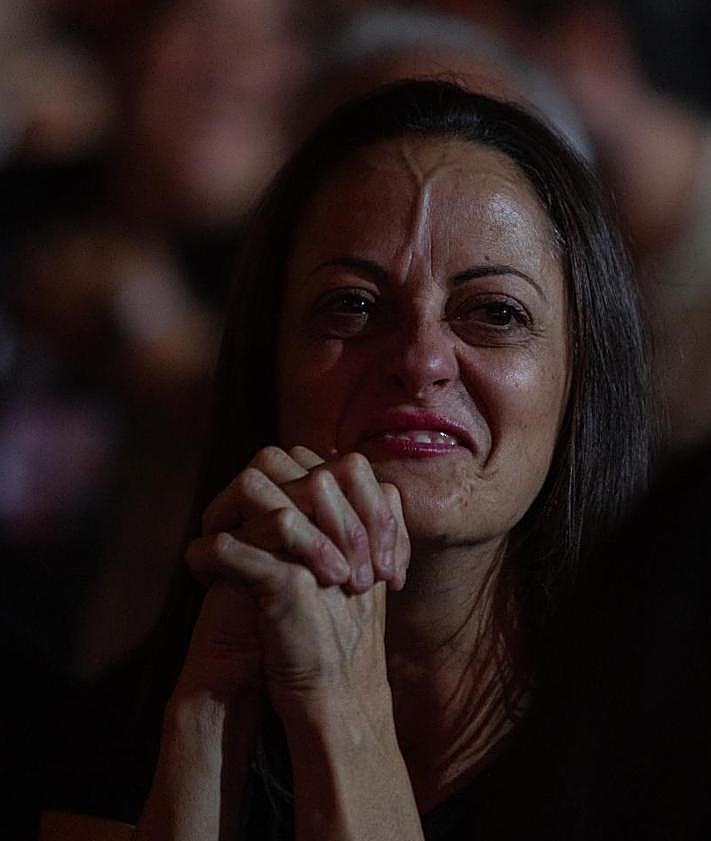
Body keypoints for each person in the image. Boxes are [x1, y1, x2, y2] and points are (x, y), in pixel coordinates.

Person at [41, 79, 652, 839]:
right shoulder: (134, 718)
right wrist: (205, 725)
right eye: (352, 305)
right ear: (270, 360)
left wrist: (339, 705)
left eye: (493, 313)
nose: (420, 359)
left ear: (581, 370)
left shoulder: (665, 747)